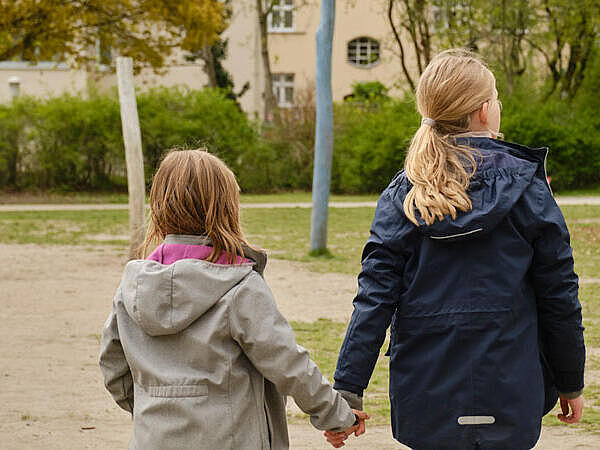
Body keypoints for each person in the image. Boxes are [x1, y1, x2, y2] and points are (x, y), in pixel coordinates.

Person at [328, 49, 585, 450]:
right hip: (511, 388)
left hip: (426, 393)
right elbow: (560, 296)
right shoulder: (529, 191)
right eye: (496, 98)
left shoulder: (404, 195)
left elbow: (373, 298)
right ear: (485, 111)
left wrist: (348, 388)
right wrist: (570, 380)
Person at [99, 149, 368, 450]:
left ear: (159, 205)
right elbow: (287, 363)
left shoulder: (132, 288)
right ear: (227, 208)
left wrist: (157, 410)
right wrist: (336, 414)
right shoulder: (239, 286)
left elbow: (113, 366)